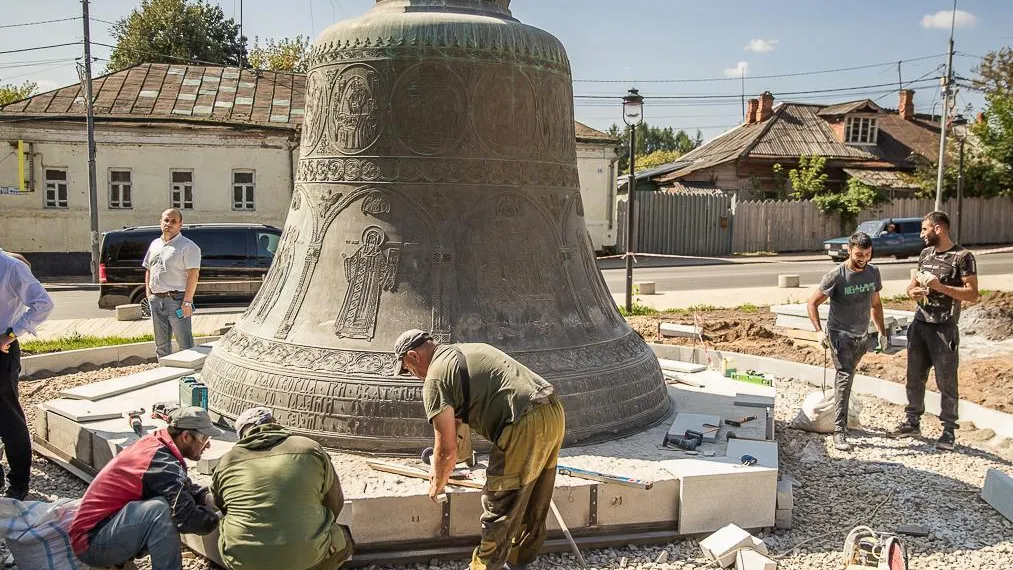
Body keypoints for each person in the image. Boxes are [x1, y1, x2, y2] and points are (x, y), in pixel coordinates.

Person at [393, 329, 565, 570]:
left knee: (501, 503)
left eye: (407, 369)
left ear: (413, 356)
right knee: (533, 498)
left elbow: (446, 449)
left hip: (522, 424)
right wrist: (446, 465)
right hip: (552, 410)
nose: (412, 376)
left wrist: (437, 483)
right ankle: (519, 562)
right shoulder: (463, 351)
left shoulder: (435, 378)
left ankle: (483, 567)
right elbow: (456, 428)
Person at [70, 406, 222, 570]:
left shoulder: (157, 447)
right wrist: (221, 515)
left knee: (164, 505)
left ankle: (117, 561)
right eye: (205, 438)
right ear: (186, 436)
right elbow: (186, 518)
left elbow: (181, 488)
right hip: (92, 543)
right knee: (159, 510)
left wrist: (210, 498)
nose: (208, 445)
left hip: (101, 530)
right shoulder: (161, 464)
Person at [210, 407, 353, 570]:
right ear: (275, 423)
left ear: (241, 436)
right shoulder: (310, 448)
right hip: (308, 558)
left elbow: (223, 507)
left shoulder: (226, 462)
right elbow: (335, 502)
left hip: (244, 562)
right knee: (344, 538)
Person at [890, 211, 979, 450]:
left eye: (924, 229)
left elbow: (972, 294)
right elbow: (914, 283)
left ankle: (948, 431)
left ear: (938, 229)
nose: (921, 234)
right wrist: (912, 292)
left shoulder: (962, 257)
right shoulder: (925, 254)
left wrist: (940, 286)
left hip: (944, 328)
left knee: (946, 382)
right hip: (920, 324)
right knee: (914, 377)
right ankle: (912, 421)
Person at [807, 232, 888, 451]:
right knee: (844, 379)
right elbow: (812, 303)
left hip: (861, 337)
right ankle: (839, 431)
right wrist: (818, 331)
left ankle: (842, 418)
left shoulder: (873, 272)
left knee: (848, 378)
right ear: (849, 250)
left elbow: (876, 304)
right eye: (860, 254)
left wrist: (881, 331)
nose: (864, 258)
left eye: (868, 254)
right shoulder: (837, 275)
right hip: (839, 336)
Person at [0, 251, 53, 500]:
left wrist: (11, 333)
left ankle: (19, 483)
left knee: (9, 419)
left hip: (2, 349)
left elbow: (43, 303)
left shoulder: (10, 267)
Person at [144, 208, 201, 358]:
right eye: (166, 220)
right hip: (156, 300)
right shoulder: (155, 244)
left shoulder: (188, 246)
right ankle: (163, 372)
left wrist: (187, 302)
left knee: (185, 344)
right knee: (161, 345)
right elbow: (149, 269)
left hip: (177, 301)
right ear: (160, 222)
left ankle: (189, 375)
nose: (169, 224)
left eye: (173, 221)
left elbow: (193, 276)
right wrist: (149, 295)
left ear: (180, 225)